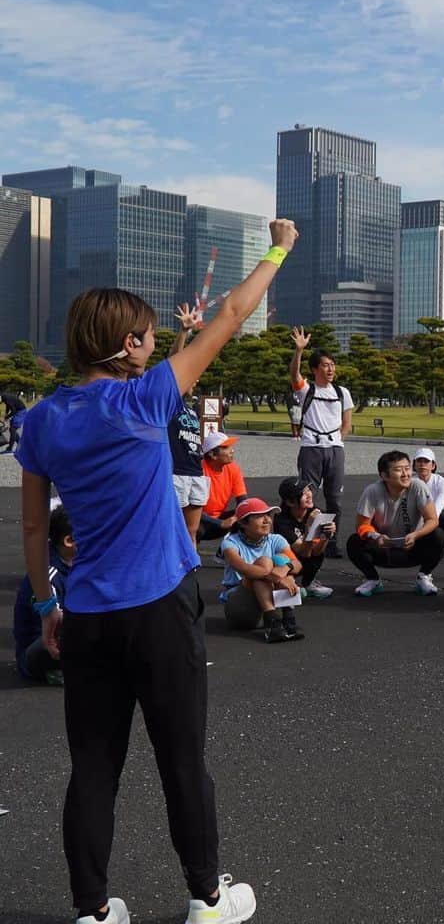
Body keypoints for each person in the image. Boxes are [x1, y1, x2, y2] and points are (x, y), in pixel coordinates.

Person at [16, 217, 297, 924]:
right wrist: (279, 247)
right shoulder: (146, 397)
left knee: (94, 768)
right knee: (181, 761)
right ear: (127, 344)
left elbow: (29, 526)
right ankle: (207, 897)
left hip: (86, 614)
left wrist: (49, 605)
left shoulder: (43, 420)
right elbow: (232, 313)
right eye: (143, 334)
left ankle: (93, 911)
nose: (149, 343)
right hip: (161, 609)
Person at [289, 326, 354, 558]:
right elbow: (294, 375)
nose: (331, 369)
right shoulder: (307, 389)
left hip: (335, 450)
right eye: (326, 365)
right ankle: (308, 541)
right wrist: (299, 351)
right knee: (308, 497)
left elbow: (347, 422)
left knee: (334, 499)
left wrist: (338, 440)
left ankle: (331, 541)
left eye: (333, 365)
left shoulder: (341, 392)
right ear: (315, 369)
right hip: (311, 448)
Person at [347, 450, 444, 597]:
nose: (405, 474)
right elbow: (361, 525)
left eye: (407, 468)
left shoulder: (418, 486)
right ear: (384, 475)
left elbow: (432, 519)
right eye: (398, 470)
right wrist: (376, 536)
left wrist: (416, 535)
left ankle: (424, 576)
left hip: (413, 546)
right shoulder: (372, 491)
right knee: (354, 541)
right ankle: (372, 579)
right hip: (383, 548)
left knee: (439, 535)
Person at [220, 497, 304, 642]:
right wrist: (279, 577)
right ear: (242, 523)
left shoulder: (276, 539)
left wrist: (285, 570)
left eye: (268, 515)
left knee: (283, 561)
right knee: (264, 564)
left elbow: (297, 564)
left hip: (270, 607)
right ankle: (279, 622)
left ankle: (283, 621)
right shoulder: (230, 543)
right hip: (242, 610)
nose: (267, 520)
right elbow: (243, 568)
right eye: (259, 516)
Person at [12, 505, 73, 686]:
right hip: (37, 649)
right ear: (69, 541)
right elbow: (57, 620)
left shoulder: (71, 560)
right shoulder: (49, 574)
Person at [168, 304, 208, 549]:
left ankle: (190, 574)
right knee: (174, 530)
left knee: (191, 532)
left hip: (196, 472)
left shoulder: (192, 409)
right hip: (177, 472)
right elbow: (174, 364)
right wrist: (184, 332)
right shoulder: (171, 401)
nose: (195, 377)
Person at [274, 476, 336, 600]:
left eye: (309, 490)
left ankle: (308, 583)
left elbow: (317, 552)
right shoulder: (281, 520)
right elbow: (303, 553)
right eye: (303, 494)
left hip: (305, 557)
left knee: (318, 554)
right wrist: (309, 528)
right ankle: (290, 582)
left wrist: (326, 536)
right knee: (284, 558)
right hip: (288, 561)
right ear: (290, 502)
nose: (309, 495)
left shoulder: (316, 512)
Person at [198, 430, 248, 543]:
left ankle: (236, 554)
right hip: (200, 520)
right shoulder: (198, 471)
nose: (232, 451)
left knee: (250, 516)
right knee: (195, 528)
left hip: (220, 517)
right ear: (213, 454)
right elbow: (191, 511)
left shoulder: (233, 468)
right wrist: (220, 523)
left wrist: (238, 516)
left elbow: (242, 500)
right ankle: (188, 558)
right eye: (226, 448)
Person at [412, 447, 444, 558]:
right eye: (419, 461)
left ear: (433, 465)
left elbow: (436, 510)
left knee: (442, 515)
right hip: (418, 518)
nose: (422, 464)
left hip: (443, 521)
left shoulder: (442, 482)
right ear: (414, 465)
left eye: (426, 461)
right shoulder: (410, 482)